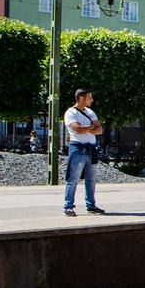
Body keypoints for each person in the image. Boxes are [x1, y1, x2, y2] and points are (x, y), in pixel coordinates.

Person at [62, 89, 105, 217]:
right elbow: (78, 129)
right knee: (73, 179)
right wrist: (91, 127)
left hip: (91, 148)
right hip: (78, 148)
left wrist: (88, 128)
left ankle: (91, 205)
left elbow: (100, 130)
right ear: (81, 98)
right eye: (89, 97)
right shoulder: (70, 112)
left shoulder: (90, 112)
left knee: (91, 180)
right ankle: (68, 207)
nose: (92, 100)